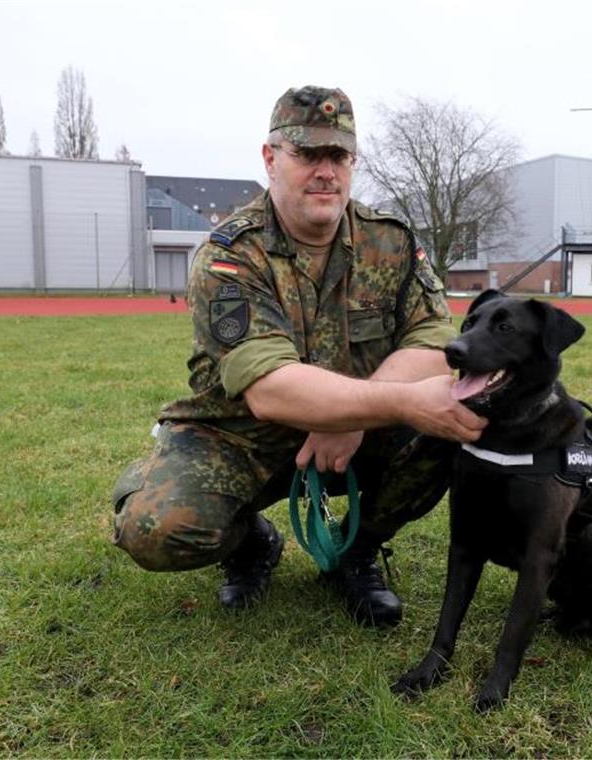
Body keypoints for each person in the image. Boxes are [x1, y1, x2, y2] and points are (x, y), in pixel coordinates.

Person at [110, 85, 487, 628]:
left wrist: (356, 417)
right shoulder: (230, 256)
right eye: (307, 154)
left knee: (453, 426)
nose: (325, 171)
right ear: (270, 158)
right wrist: (386, 404)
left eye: (338, 156)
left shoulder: (393, 242)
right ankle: (250, 544)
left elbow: (433, 342)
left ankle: (355, 551)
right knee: (155, 527)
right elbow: (271, 388)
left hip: (360, 436)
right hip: (243, 436)